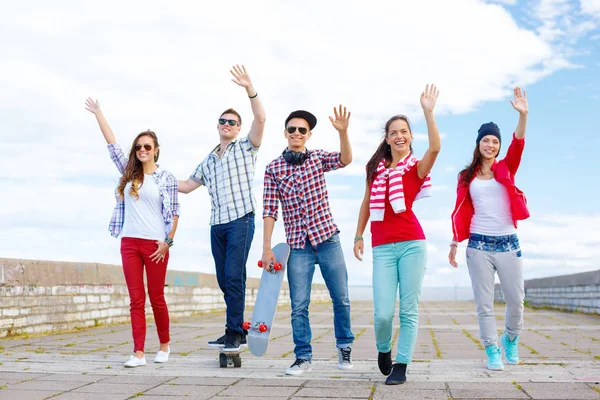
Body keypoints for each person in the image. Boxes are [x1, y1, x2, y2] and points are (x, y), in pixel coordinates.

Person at [353, 84, 441, 385]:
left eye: (404, 131)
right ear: (387, 138)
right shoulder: (375, 170)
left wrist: (428, 112)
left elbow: (435, 149)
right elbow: (366, 203)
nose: (399, 136)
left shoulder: (415, 169)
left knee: (408, 309)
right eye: (394, 132)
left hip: (412, 244)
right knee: (382, 314)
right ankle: (383, 348)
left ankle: (402, 364)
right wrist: (358, 236)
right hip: (382, 247)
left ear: (410, 137)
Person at [85, 98, 179, 368]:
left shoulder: (166, 178)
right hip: (129, 243)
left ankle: (164, 345)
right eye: (138, 147)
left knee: (157, 297)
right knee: (136, 299)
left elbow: (174, 214)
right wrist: (98, 113)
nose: (142, 150)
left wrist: (167, 243)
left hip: (155, 245)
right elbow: (112, 145)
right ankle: (138, 353)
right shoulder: (129, 174)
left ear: (156, 150)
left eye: (147, 146)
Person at [177, 65, 266, 352]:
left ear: (238, 128)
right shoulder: (208, 160)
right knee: (224, 279)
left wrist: (249, 89)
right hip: (217, 225)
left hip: (241, 221)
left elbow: (261, 118)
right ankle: (237, 328)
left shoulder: (246, 148)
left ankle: (232, 332)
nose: (227, 125)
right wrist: (152, 176)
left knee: (233, 275)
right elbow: (188, 186)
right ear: (217, 126)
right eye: (222, 121)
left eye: (232, 122)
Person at [262, 106, 355, 376]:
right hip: (297, 247)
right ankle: (302, 356)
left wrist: (343, 132)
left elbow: (345, 159)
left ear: (309, 135)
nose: (297, 133)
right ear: (285, 133)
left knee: (342, 299)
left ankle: (344, 346)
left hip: (327, 239)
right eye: (292, 129)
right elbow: (269, 210)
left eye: (302, 130)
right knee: (298, 305)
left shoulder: (317, 158)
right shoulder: (273, 168)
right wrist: (267, 248)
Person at [448, 87, 530, 371]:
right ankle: (492, 349)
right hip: (479, 245)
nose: (491, 145)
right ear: (478, 144)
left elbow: (518, 143)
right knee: (484, 304)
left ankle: (510, 338)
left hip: (508, 243)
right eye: (487, 140)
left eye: (495, 141)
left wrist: (523, 115)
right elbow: (460, 209)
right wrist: (455, 242)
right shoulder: (466, 175)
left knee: (516, 300)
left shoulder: (507, 167)